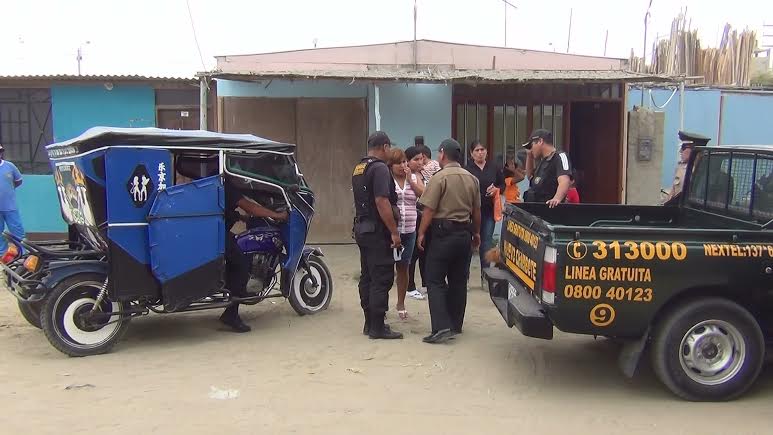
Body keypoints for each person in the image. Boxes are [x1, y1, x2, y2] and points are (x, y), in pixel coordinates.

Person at [417, 139, 481, 344]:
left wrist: (421, 233)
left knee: (434, 280)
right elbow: (476, 211)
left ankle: (441, 327)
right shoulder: (472, 178)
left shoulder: (439, 177)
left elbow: (429, 209)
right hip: (464, 234)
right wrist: (476, 233)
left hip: (443, 234)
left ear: (443, 153)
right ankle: (455, 324)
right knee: (459, 281)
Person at [352, 131, 403, 340]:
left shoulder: (359, 167)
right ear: (385, 147)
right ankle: (378, 327)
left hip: (362, 229)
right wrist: (394, 232)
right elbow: (382, 201)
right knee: (381, 277)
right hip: (377, 232)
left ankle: (369, 323)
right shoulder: (380, 168)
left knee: (367, 276)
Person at [220, 177, 288, 332]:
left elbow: (225, 208)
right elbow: (250, 207)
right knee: (241, 265)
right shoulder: (225, 183)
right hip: (217, 234)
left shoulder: (219, 180)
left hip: (215, 230)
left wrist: (241, 217)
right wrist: (278, 215)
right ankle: (231, 315)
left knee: (237, 253)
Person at [388, 147, 425, 320]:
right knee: (387, 269)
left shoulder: (414, 177)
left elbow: (423, 195)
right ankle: (382, 304)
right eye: (398, 163)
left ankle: (401, 303)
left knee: (404, 267)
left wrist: (411, 180)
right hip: (392, 232)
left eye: (404, 162)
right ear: (391, 165)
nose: (402, 165)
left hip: (409, 231)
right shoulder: (388, 179)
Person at [465, 140, 504, 272]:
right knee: (468, 244)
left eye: (482, 150)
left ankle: (485, 275)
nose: (480, 153)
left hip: (488, 211)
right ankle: (465, 276)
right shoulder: (467, 169)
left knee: (486, 242)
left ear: (487, 152)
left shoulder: (494, 167)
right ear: (471, 153)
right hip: (470, 212)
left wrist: (496, 189)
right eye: (477, 150)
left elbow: (502, 184)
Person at [407, 142, 438, 298]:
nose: (420, 162)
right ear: (407, 162)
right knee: (413, 254)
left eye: (421, 159)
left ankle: (425, 284)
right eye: (416, 159)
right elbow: (424, 194)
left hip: (425, 216)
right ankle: (410, 286)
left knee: (425, 252)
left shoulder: (422, 174)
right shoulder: (410, 176)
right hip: (413, 218)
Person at [522, 129, 572, 208]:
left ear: (540, 141)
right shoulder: (543, 161)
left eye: (531, 145)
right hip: (536, 208)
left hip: (550, 209)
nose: (531, 149)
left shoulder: (560, 156)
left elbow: (564, 181)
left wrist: (556, 199)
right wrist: (529, 156)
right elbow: (530, 177)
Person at [663, 130, 710, 204]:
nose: (680, 151)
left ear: (694, 149)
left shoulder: (706, 170)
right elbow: (673, 193)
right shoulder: (681, 168)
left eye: (683, 147)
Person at [0, 144, 25, 254]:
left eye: (0, 151)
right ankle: (2, 254)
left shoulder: (10, 166)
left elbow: (18, 181)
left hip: (10, 206)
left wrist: (9, 189)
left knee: (17, 230)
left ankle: (22, 252)